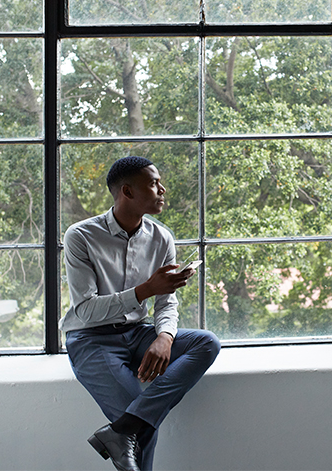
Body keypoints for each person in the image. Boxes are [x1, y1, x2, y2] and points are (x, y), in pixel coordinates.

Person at [59, 156, 221, 471]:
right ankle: (125, 429)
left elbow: (167, 302)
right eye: (153, 183)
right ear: (128, 192)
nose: (162, 190)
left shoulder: (162, 237)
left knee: (207, 343)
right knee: (141, 425)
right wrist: (146, 289)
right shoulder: (80, 236)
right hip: (91, 339)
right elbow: (86, 310)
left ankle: (119, 431)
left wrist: (164, 336)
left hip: (138, 333)